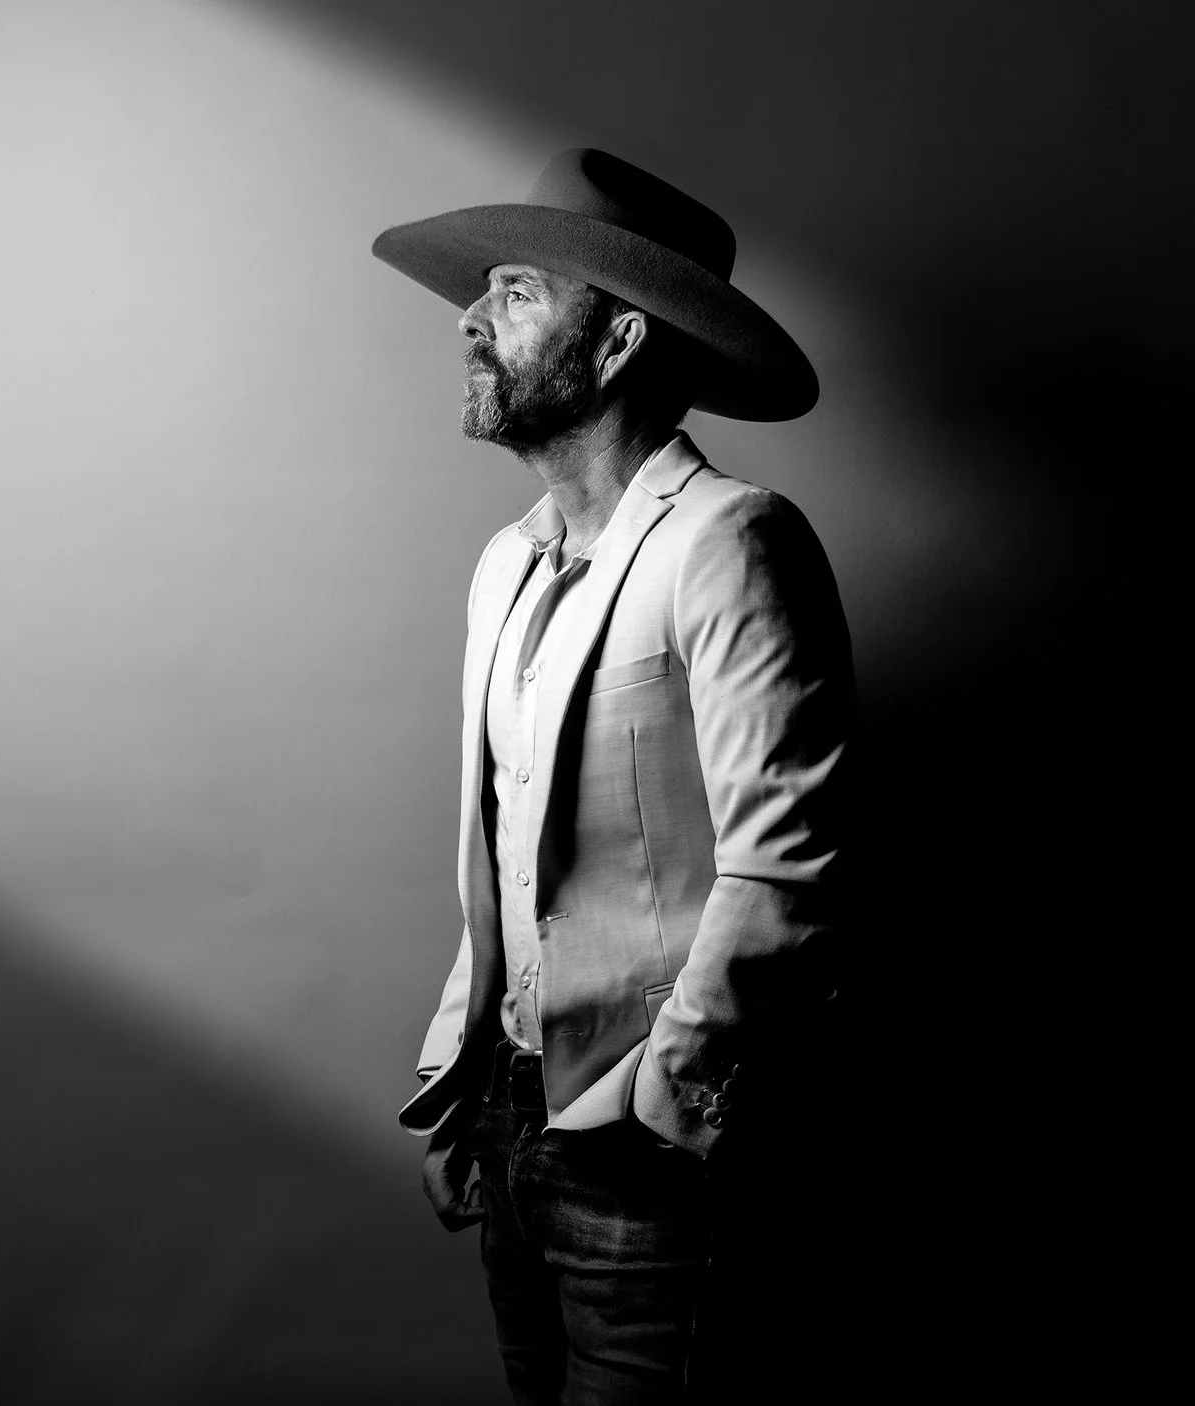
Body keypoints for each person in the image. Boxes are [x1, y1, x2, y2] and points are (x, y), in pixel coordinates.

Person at [374, 148, 856, 1403]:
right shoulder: (503, 567)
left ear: (619, 338)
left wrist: (663, 1105)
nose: (471, 321)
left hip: (649, 1144)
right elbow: (505, 851)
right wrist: (461, 1081)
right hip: (508, 1121)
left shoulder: (731, 541)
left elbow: (786, 868)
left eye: (516, 294)